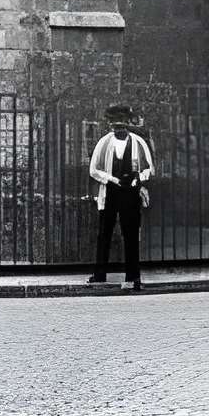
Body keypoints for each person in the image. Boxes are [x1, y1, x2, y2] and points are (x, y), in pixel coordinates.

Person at [86, 104, 153, 290]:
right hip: (109, 193)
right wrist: (111, 179)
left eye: (122, 127)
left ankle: (133, 275)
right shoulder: (104, 143)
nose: (119, 131)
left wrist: (139, 177)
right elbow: (94, 169)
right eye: (116, 127)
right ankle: (100, 274)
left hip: (131, 193)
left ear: (127, 126)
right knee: (104, 234)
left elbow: (149, 167)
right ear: (111, 126)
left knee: (131, 234)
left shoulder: (139, 142)